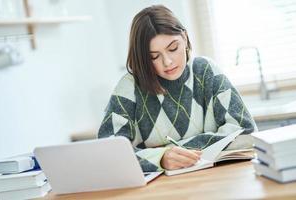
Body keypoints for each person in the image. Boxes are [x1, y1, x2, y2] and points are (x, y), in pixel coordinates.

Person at [97, 5, 257, 172]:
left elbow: (246, 132)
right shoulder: (129, 87)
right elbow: (109, 153)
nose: (168, 62)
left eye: (173, 48)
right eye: (154, 56)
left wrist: (167, 152)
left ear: (185, 38)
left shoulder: (205, 71)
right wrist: (161, 158)